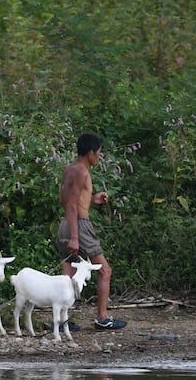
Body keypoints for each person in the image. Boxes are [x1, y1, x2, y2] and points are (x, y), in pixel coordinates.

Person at [56, 132, 127, 330]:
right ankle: (102, 318)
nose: (99, 156)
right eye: (98, 153)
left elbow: (67, 200)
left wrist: (91, 199)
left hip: (65, 225)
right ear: (90, 153)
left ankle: (61, 321)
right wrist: (75, 237)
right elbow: (71, 204)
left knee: (67, 274)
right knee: (104, 271)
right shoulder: (82, 172)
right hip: (78, 226)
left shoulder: (69, 169)